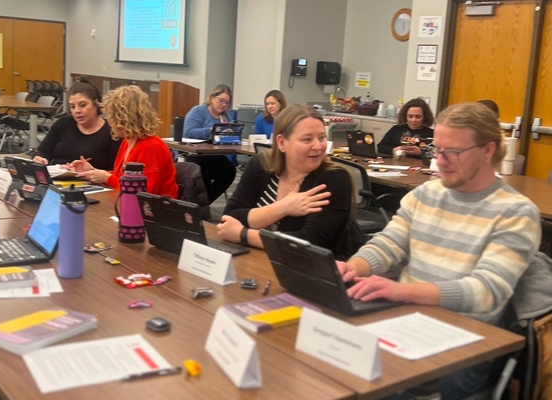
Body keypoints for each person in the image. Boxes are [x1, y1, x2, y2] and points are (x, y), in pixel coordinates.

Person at [338, 102, 541, 398]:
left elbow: (486, 291)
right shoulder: (425, 194)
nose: (440, 161)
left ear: (487, 151)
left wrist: (402, 292)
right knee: (334, 359)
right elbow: (390, 243)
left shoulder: (516, 212)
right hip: (407, 319)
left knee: (373, 384)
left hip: (467, 336)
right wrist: (355, 267)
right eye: (436, 150)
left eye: (453, 152)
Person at [217, 103, 363, 260]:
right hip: (260, 261)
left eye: (321, 138)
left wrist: (243, 234)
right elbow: (230, 216)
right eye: (307, 139)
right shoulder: (262, 166)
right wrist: (283, 207)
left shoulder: (334, 179)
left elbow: (308, 243)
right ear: (281, 143)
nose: (318, 146)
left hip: (311, 272)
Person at [73, 85, 178, 198]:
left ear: (124, 118)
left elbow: (145, 192)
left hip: (154, 210)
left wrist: (107, 178)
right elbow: (121, 177)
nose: (110, 122)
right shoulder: (128, 141)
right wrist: (93, 172)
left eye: (112, 117)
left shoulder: (152, 146)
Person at [33, 78, 121, 169]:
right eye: (72, 107)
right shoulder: (63, 123)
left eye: (83, 105)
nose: (77, 111)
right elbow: (43, 151)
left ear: (96, 103)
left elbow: (114, 171)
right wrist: (40, 158)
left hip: (89, 180)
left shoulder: (112, 132)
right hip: (56, 175)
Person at [183, 84, 236, 204]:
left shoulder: (225, 116)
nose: (223, 105)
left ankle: (206, 202)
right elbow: (188, 132)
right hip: (197, 155)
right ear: (212, 98)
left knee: (229, 171)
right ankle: (199, 205)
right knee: (203, 172)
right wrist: (211, 130)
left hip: (214, 155)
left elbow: (228, 133)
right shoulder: (198, 111)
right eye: (221, 101)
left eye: (227, 103)